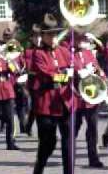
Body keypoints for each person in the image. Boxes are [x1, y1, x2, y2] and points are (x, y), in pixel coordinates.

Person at [32, 13, 73, 174]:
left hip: (64, 101)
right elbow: (47, 74)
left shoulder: (64, 51)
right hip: (46, 105)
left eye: (55, 34)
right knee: (47, 144)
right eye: (50, 34)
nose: (53, 37)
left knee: (68, 143)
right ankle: (39, 168)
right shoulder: (38, 53)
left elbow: (73, 66)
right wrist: (65, 73)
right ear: (43, 35)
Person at [72, 30, 104, 168]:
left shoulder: (90, 54)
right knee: (73, 129)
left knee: (92, 129)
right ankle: (69, 155)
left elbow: (99, 70)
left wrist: (98, 74)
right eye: (80, 40)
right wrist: (81, 73)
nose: (83, 42)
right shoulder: (70, 55)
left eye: (85, 40)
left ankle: (93, 158)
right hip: (77, 97)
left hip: (91, 97)